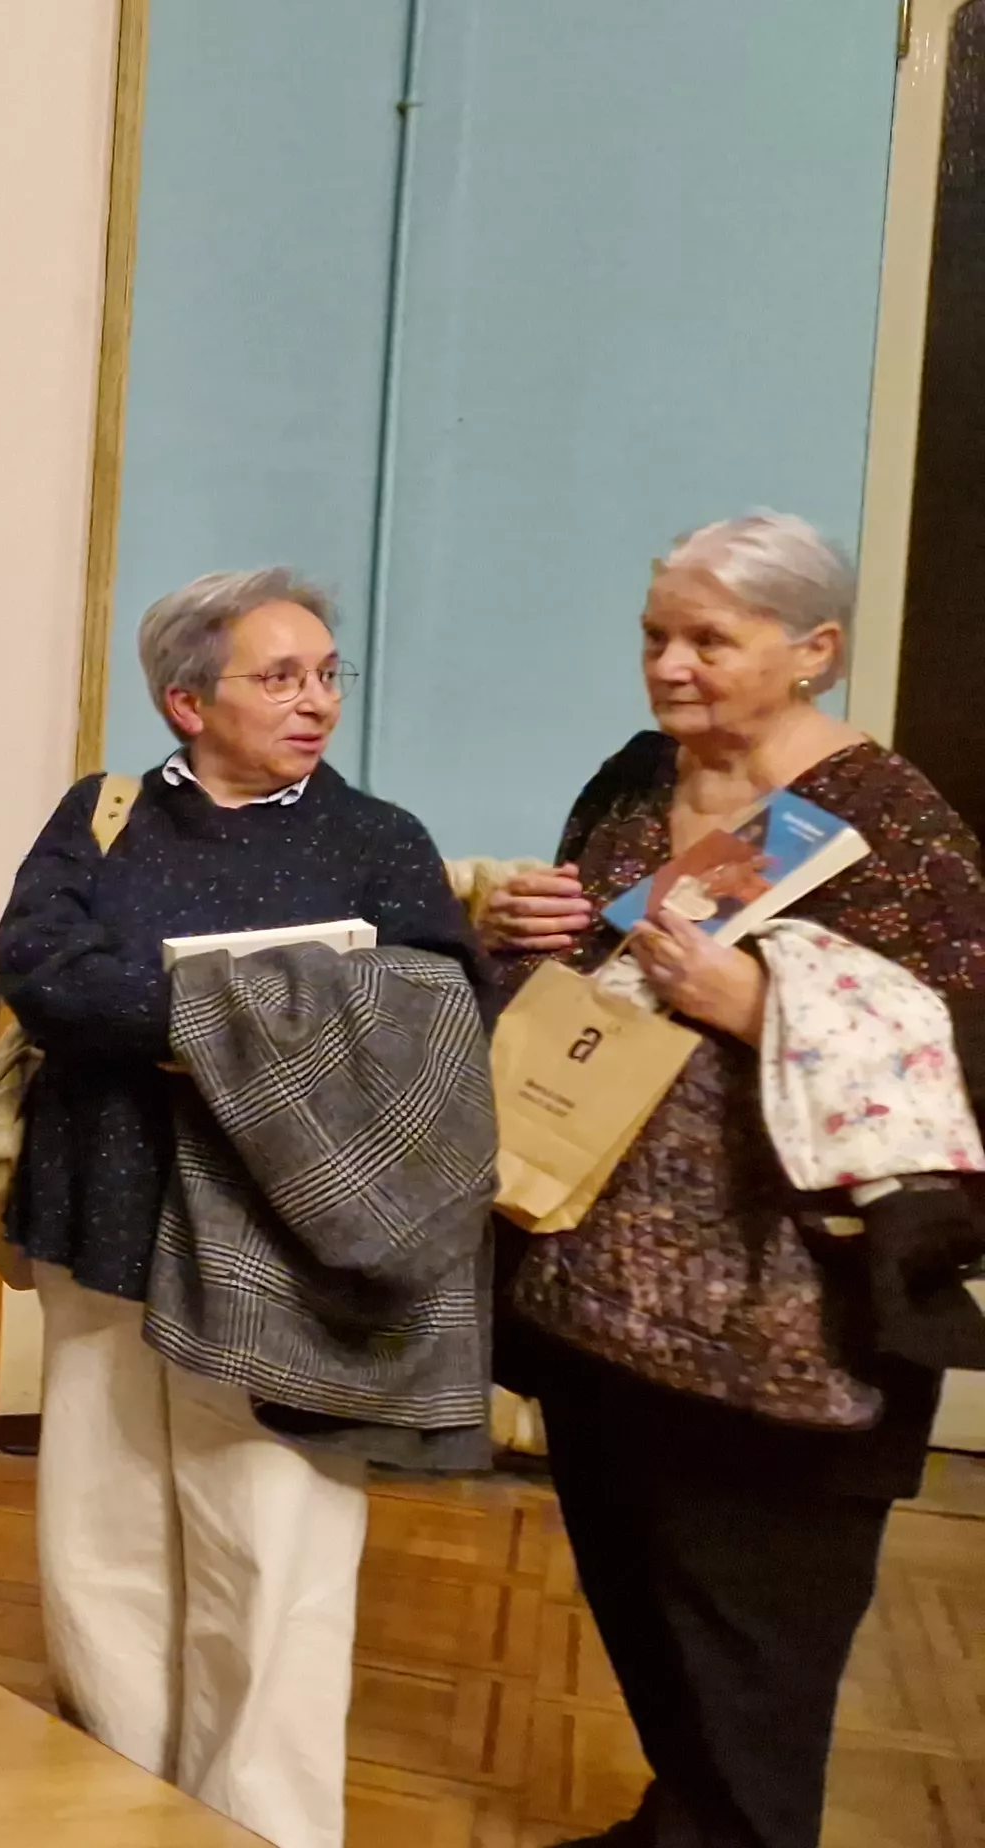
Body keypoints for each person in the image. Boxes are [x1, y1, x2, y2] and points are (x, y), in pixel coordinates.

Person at [476, 514, 985, 1848]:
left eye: (711, 638)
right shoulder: (639, 779)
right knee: (640, 1602)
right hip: (595, 1298)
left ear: (814, 650)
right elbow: (591, 974)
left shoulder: (900, 833)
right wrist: (521, 927)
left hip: (778, 1349)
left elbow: (950, 1078)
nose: (671, 664)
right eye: (657, 635)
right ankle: (680, 1817)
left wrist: (763, 1011)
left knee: (755, 1654)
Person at [0, 567, 479, 1848]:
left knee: (276, 1552)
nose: (314, 700)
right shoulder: (101, 819)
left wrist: (178, 1019)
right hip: (104, 1211)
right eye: (281, 676)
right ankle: (123, 1794)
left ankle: (259, 1825)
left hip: (287, 1246)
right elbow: (43, 972)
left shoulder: (377, 839)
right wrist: (239, 1019)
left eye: (326, 673)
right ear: (184, 699)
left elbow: (436, 1013)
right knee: (101, 1538)